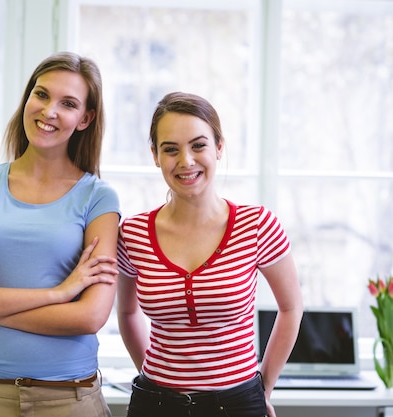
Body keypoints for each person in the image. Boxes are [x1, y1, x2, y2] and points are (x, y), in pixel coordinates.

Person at [0, 51, 120, 417]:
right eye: (42, 94)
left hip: (70, 398)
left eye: (68, 103)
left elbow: (90, 317)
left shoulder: (99, 198)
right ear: (28, 98)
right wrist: (59, 293)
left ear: (85, 119)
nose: (49, 111)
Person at [116, 92, 303, 417]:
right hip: (155, 405)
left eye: (198, 145)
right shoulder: (132, 234)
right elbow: (128, 314)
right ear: (155, 155)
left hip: (238, 404)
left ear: (219, 147)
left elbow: (291, 307)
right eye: (170, 149)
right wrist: (155, 377)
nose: (186, 160)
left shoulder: (257, 224)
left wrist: (264, 387)